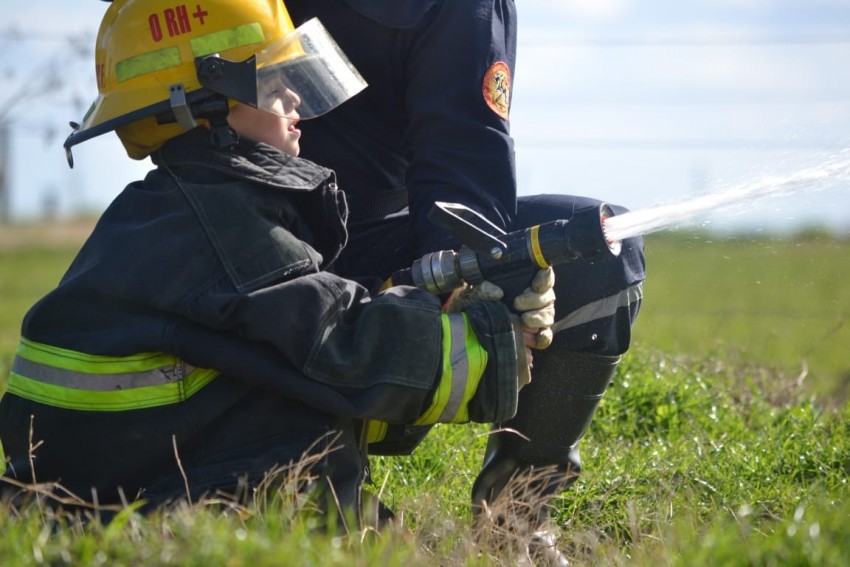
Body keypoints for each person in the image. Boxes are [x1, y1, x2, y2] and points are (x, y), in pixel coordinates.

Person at [0, 0, 553, 521]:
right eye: (271, 80)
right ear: (205, 101)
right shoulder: (227, 223)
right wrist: (492, 339)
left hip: (116, 474)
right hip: (143, 501)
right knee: (315, 431)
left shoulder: (172, 205)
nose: (294, 97)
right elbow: (341, 344)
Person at [284, 1, 646, 561]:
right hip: (268, 252)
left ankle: (513, 521)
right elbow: (462, 156)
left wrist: (464, 276)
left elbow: (459, 167)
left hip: (226, 246)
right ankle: (315, 487)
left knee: (601, 246)